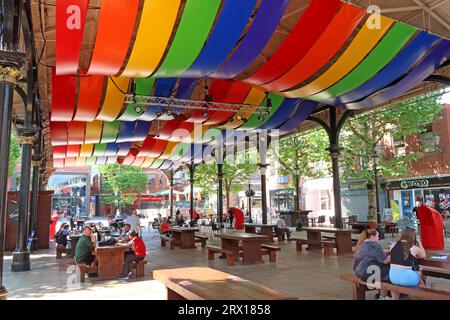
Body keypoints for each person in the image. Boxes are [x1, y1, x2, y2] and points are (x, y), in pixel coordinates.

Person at [353, 229, 391, 300]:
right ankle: (383, 297)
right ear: (372, 236)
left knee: (383, 271)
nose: (378, 238)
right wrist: (395, 254)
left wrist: (388, 251)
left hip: (359, 271)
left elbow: (376, 253)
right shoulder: (374, 245)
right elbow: (385, 260)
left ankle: (382, 296)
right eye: (377, 236)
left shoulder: (362, 244)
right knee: (389, 272)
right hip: (369, 272)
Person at [389, 228, 426, 300]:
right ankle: (425, 297)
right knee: (420, 271)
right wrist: (420, 243)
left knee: (396, 283)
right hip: (408, 279)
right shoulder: (414, 248)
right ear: (413, 237)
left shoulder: (394, 244)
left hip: (393, 277)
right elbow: (423, 255)